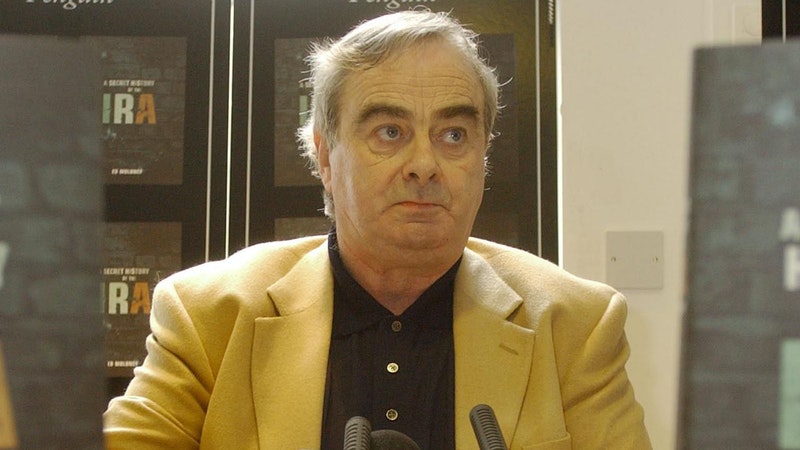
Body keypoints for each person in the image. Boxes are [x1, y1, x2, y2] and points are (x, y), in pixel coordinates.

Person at [104, 9, 652, 450]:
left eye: (454, 135)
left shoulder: (575, 327)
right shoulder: (210, 317)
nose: (425, 165)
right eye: (390, 132)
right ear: (325, 155)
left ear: (483, 156)